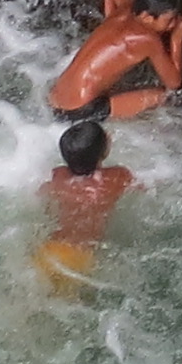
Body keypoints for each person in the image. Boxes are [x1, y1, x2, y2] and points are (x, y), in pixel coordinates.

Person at [48, 0, 182, 123]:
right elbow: (174, 83)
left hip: (54, 96)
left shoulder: (126, 6)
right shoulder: (148, 39)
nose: (174, 24)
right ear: (147, 17)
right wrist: (176, 39)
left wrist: (109, 22)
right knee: (165, 97)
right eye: (170, 20)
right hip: (78, 110)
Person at [36, 117, 133, 293]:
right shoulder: (117, 176)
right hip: (80, 257)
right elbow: (146, 188)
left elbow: (42, 195)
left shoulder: (58, 174)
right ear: (104, 151)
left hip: (49, 250)